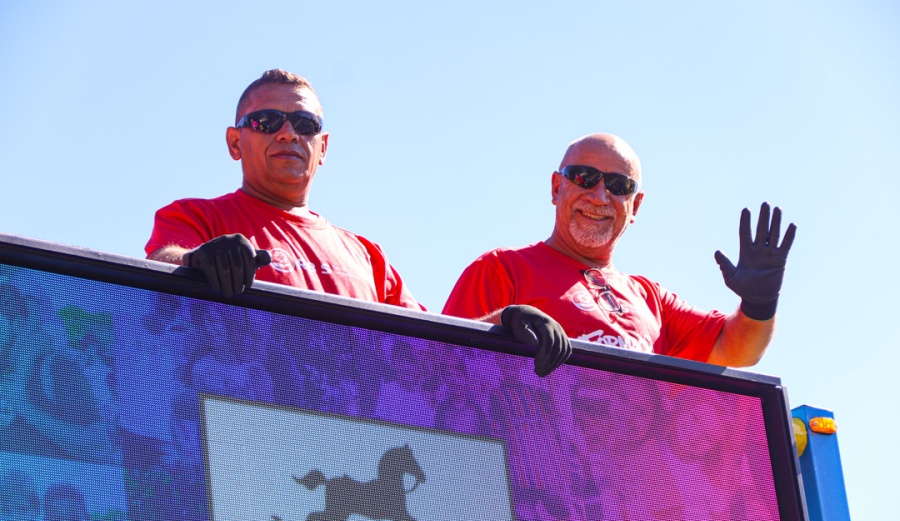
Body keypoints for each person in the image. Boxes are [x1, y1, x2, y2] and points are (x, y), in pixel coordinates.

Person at [146, 69, 569, 376]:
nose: (288, 133)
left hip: (355, 445)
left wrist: (503, 322)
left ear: (323, 147)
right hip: (246, 431)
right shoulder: (196, 217)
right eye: (266, 122)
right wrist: (197, 261)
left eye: (305, 124)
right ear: (235, 142)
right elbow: (163, 263)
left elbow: (430, 350)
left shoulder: (366, 254)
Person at [443, 133, 796, 367]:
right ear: (556, 187)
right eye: (583, 177)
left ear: (635, 206)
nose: (600, 197)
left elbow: (737, 350)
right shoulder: (501, 268)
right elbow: (436, 365)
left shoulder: (650, 298)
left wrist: (759, 304)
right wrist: (504, 321)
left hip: (628, 464)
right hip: (533, 459)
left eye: (619, 185)